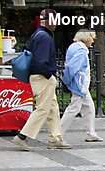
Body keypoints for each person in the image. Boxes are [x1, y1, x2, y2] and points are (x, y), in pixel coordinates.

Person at [13, 9, 70, 151]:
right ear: (48, 21)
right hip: (42, 77)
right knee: (43, 108)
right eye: (54, 20)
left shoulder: (37, 34)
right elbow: (41, 61)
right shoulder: (45, 37)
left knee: (52, 107)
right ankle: (22, 137)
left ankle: (55, 137)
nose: (56, 23)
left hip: (39, 76)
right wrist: (49, 73)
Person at [60, 30, 103, 143]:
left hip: (79, 84)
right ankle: (58, 134)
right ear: (86, 38)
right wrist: (67, 81)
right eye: (92, 38)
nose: (93, 41)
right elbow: (73, 68)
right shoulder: (81, 50)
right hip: (79, 85)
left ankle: (91, 133)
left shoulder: (74, 47)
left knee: (89, 107)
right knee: (74, 108)